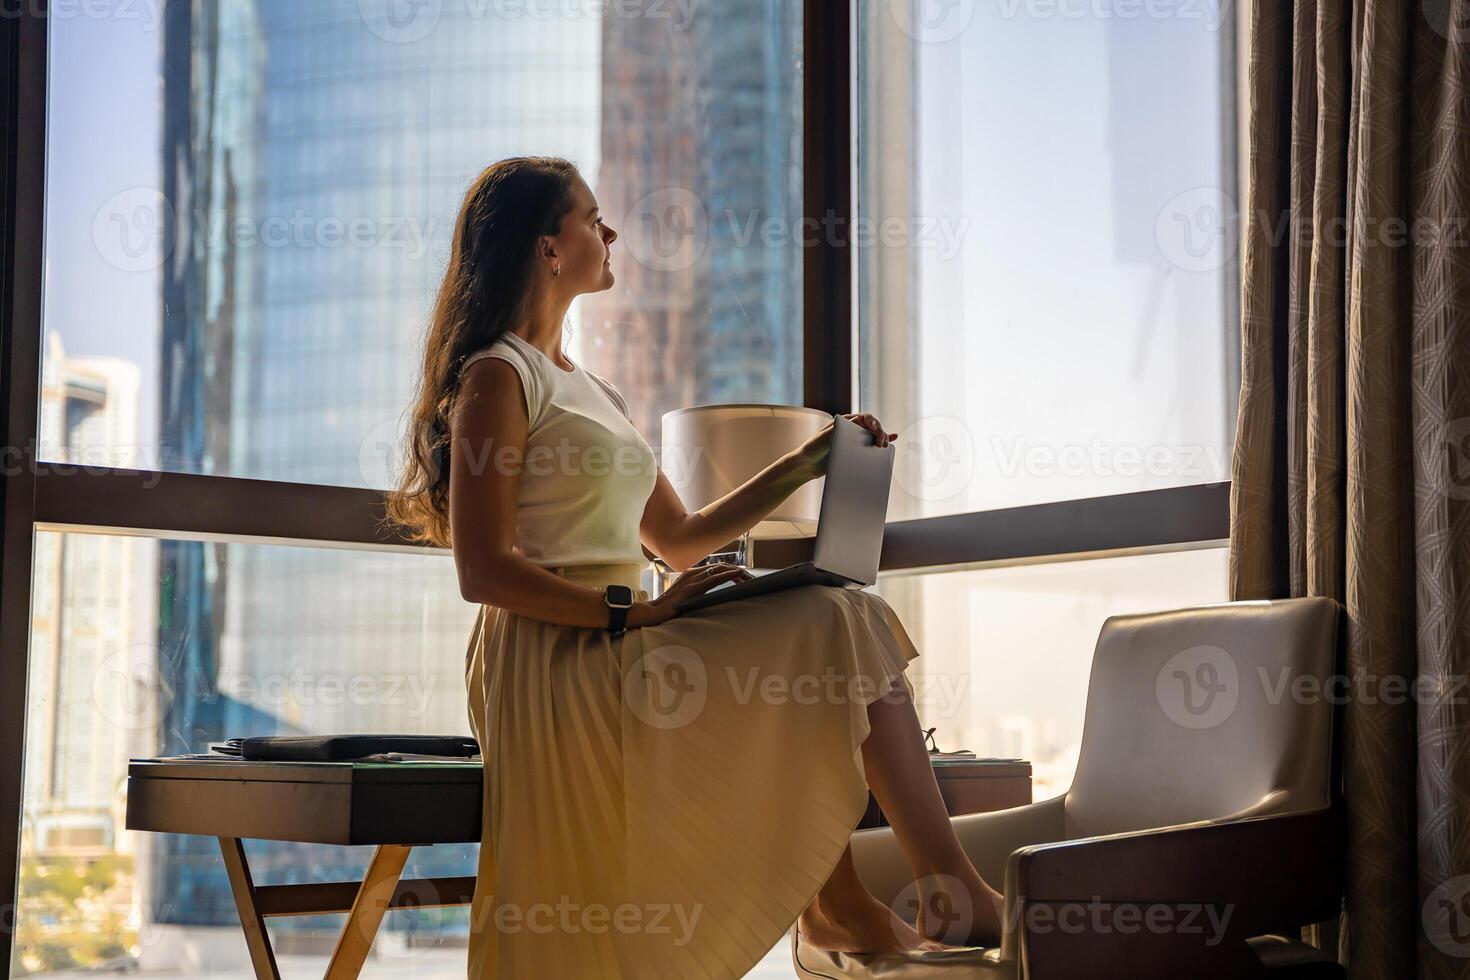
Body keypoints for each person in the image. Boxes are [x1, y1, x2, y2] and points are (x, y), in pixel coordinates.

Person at [387, 156, 1003, 979]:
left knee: (840, 620)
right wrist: (630, 615)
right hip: (555, 656)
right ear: (547, 247)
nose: (610, 233)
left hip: (620, 637)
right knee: (833, 625)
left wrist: (810, 462)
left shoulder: (591, 388)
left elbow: (678, 539)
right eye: (592, 218)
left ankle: (879, 897)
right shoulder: (497, 377)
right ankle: (898, 896)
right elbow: (485, 572)